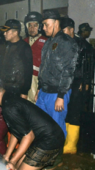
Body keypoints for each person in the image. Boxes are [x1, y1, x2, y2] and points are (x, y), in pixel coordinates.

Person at [0, 72, 65, 170]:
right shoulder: (7, 98)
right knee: (16, 167)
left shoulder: (9, 107)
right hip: (42, 137)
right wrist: (7, 156)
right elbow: (16, 131)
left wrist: (12, 161)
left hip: (49, 139)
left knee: (16, 166)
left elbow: (28, 136)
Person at [35, 10, 78, 137]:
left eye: (46, 24)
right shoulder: (48, 42)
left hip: (57, 93)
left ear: (56, 23)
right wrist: (39, 88)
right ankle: (47, 155)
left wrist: (61, 96)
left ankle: (57, 156)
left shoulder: (67, 43)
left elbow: (68, 71)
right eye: (43, 25)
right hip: (44, 91)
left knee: (57, 127)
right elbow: (43, 67)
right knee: (42, 125)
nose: (43, 28)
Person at [61, 18, 91, 154]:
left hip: (77, 84)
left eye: (64, 29)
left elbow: (89, 67)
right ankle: (66, 141)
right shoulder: (67, 42)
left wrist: (85, 82)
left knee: (74, 112)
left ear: (72, 30)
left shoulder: (84, 45)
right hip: (68, 83)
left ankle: (71, 146)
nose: (62, 32)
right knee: (66, 111)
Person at [0, 19, 33, 99]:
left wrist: (24, 91)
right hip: (4, 88)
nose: (4, 34)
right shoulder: (4, 46)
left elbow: (28, 71)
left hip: (17, 90)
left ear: (15, 32)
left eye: (7, 31)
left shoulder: (24, 47)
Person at [24, 12, 48, 103]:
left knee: (36, 103)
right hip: (25, 78)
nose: (32, 28)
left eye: (35, 25)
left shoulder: (46, 42)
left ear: (39, 27)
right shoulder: (24, 41)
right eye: (30, 26)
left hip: (38, 80)